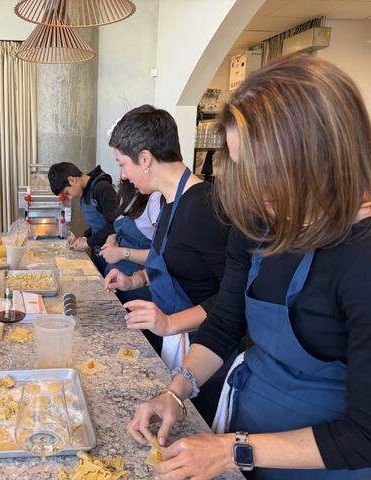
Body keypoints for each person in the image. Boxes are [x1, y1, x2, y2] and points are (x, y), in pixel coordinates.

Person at [128, 55, 371, 479]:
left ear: (325, 154)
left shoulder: (361, 256)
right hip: (250, 438)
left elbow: (362, 435)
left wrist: (232, 451)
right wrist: (176, 392)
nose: (254, 189)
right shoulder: (257, 224)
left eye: (268, 170)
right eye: (244, 168)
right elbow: (225, 323)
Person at [104, 105, 232, 424]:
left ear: (145, 158)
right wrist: (135, 281)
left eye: (123, 164)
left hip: (205, 353)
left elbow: (233, 296)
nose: (123, 175)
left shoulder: (205, 207)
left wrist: (171, 324)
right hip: (177, 338)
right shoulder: (166, 200)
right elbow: (177, 263)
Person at [47, 162, 118, 273]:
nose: (69, 198)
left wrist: (88, 242)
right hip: (99, 253)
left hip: (113, 256)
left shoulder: (102, 188)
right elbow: (97, 225)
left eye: (67, 193)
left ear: (72, 180)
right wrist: (84, 238)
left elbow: (115, 225)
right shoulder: (85, 192)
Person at [99, 179, 161, 304]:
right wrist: (112, 238)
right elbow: (123, 230)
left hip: (139, 287)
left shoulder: (156, 198)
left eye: (124, 164)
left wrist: (122, 253)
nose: (123, 174)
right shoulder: (127, 192)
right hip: (118, 280)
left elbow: (163, 255)